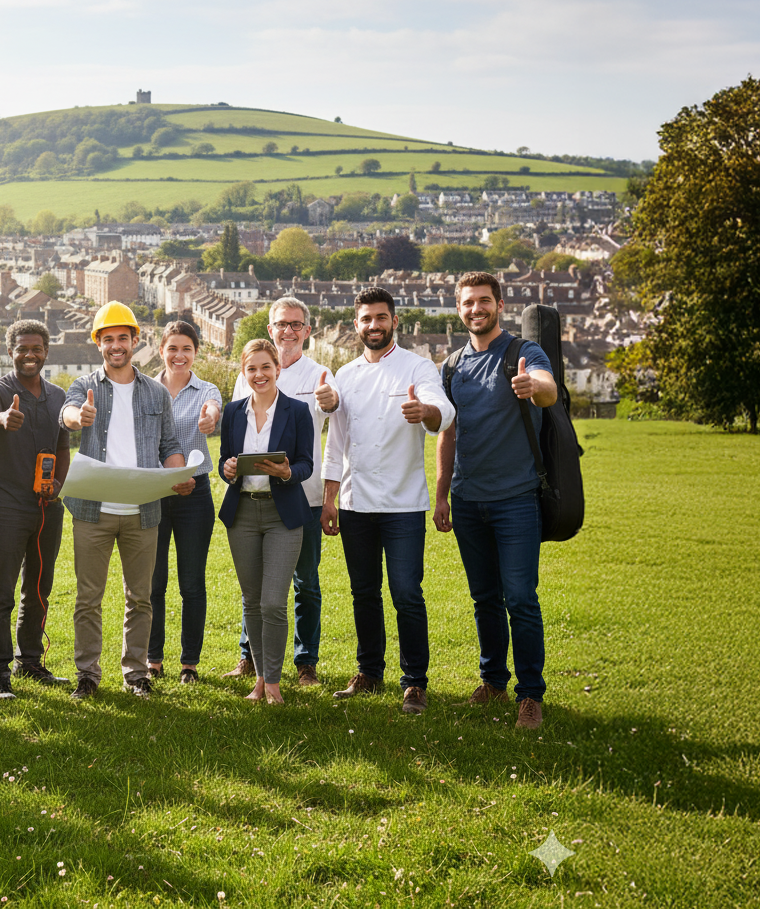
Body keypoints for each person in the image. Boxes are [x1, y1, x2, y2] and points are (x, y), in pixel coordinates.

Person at [434, 271, 558, 730]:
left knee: (521, 598)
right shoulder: (451, 366)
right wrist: (443, 492)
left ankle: (530, 695)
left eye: (484, 301)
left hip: (515, 500)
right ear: (459, 307)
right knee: (484, 598)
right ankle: (493, 681)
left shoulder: (522, 352)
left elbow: (547, 387)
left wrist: (533, 388)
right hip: (467, 500)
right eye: (468, 303)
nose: (475, 310)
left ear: (500, 305)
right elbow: (449, 431)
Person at [321, 288, 454, 714]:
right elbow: (335, 443)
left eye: (381, 318)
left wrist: (425, 414)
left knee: (406, 592)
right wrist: (329, 499)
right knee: (363, 592)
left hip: (403, 503)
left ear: (394, 321)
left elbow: (442, 410)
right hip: (356, 502)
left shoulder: (417, 367)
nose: (374, 325)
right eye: (366, 319)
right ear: (356, 325)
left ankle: (414, 682)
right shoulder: (345, 374)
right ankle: (370, 671)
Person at [60, 301, 191, 701]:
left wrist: (179, 474)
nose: (116, 346)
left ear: (135, 341)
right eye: (108, 339)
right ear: (98, 343)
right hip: (92, 510)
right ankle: (88, 674)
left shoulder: (155, 392)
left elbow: (169, 444)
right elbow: (66, 413)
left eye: (123, 338)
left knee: (141, 597)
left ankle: (135, 673)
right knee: (88, 598)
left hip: (142, 511)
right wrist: (75, 418)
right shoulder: (85, 387)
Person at [224, 296, 339, 686]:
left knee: (306, 581)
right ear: (269, 330)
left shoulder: (320, 374)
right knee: (254, 587)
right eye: (280, 324)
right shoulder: (249, 374)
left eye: (295, 324)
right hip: (252, 500)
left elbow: (335, 425)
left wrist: (332, 400)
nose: (287, 330)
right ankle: (250, 657)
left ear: (306, 331)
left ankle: (305, 661)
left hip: (302, 500)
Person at [0, 320, 71, 698]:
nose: (29, 355)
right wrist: (1, 419)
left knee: (39, 587)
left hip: (47, 506)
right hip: (6, 506)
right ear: (10, 352)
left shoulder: (58, 395)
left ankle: (29, 661)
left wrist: (58, 485)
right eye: (22, 349)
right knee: (2, 590)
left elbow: (63, 447)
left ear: (46, 352)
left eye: (36, 349)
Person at [218, 340, 316, 705]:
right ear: (244, 373)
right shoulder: (233, 413)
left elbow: (307, 464)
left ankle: (273, 682)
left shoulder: (297, 411)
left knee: (273, 602)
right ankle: (260, 680)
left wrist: (288, 471)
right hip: (241, 514)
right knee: (252, 600)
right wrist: (227, 469)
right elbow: (226, 462)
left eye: (265, 367)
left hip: (283, 516)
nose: (259, 375)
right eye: (252, 369)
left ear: (277, 368)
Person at [146, 320, 221, 684]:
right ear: (161, 350)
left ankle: (189, 663)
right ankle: (153, 659)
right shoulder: (144, 389)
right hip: (155, 492)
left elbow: (212, 410)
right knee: (153, 583)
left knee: (191, 583)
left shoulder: (207, 388)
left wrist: (210, 419)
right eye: (172, 348)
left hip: (196, 494)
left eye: (186, 349)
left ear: (195, 353)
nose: (179, 355)